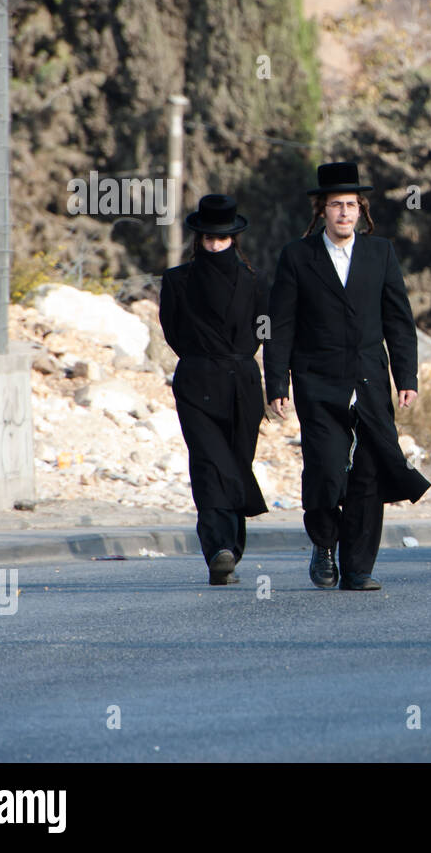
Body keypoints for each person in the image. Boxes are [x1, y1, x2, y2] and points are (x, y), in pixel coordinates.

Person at [264, 162, 430, 591]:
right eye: (336, 205)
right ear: (321, 210)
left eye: (351, 205)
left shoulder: (381, 253)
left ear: (361, 210)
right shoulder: (297, 257)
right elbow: (281, 325)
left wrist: (406, 376)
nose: (344, 213)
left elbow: (399, 320)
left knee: (369, 473)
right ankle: (323, 542)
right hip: (318, 381)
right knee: (325, 469)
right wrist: (277, 383)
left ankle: (358, 568)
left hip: (370, 380)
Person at [159, 194, 269, 586]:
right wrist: (204, 358)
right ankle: (218, 550)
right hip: (197, 381)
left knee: (237, 463)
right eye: (208, 238)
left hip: (242, 384)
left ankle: (232, 549)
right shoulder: (176, 281)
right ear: (199, 238)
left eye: (221, 238)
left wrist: (273, 382)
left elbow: (264, 331)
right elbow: (172, 331)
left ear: (233, 239)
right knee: (209, 465)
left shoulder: (256, 282)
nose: (215, 244)